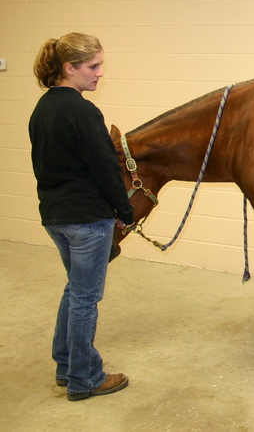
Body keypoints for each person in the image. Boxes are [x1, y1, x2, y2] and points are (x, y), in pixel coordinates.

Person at [29, 33, 134, 401]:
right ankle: (85, 378)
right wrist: (124, 211)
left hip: (56, 217)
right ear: (68, 68)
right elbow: (106, 168)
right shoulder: (83, 111)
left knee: (75, 290)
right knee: (86, 298)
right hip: (87, 220)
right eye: (93, 66)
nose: (100, 73)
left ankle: (65, 365)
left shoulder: (42, 108)